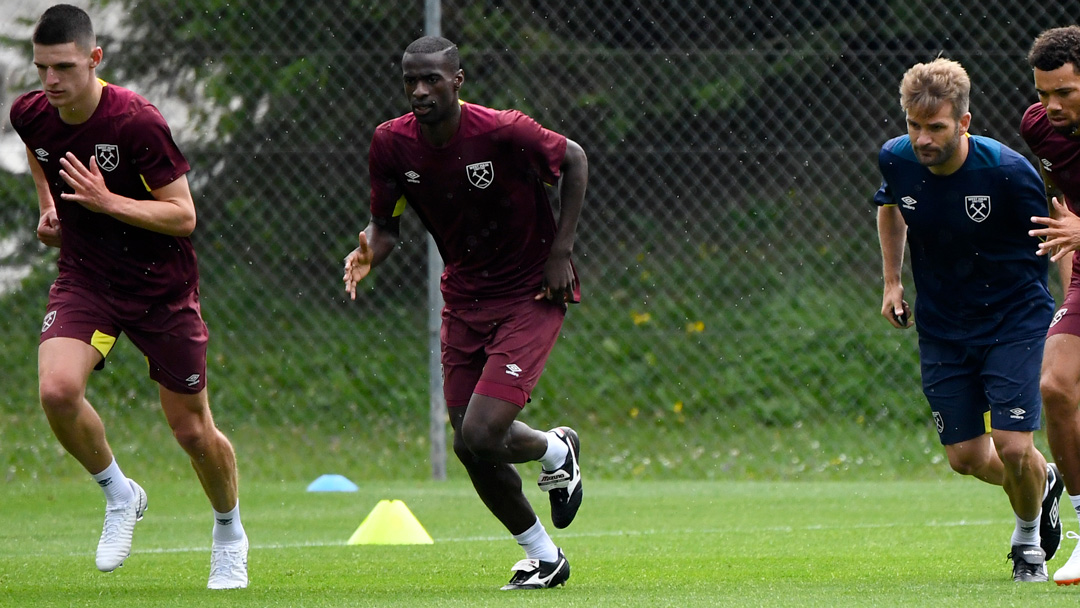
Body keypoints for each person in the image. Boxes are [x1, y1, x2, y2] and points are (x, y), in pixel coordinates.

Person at [9, 5, 248, 589]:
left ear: (95, 59)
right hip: (87, 279)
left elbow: (183, 215)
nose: (51, 80)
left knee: (192, 431)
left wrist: (107, 201)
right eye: (41, 67)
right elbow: (42, 159)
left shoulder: (136, 122)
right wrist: (49, 206)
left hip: (160, 289)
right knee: (57, 391)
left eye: (64, 66)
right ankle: (119, 493)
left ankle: (228, 532)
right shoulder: (31, 113)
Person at [343, 35, 587, 590]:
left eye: (432, 79)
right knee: (469, 443)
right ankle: (544, 554)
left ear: (458, 81)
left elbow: (574, 159)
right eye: (411, 80)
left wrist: (561, 253)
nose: (420, 90)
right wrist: (366, 255)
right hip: (465, 298)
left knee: (479, 433)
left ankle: (555, 450)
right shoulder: (391, 144)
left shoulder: (503, 130)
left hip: (531, 293)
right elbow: (385, 227)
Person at [875, 57, 1063, 583]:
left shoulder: (1006, 171)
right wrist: (892, 281)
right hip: (942, 325)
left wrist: (1070, 301)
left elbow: (1058, 230)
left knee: (1011, 444)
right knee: (965, 457)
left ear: (964, 122)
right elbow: (890, 207)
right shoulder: (896, 159)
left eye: (935, 127)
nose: (922, 139)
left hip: (1015, 319)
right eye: (914, 125)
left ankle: (1027, 542)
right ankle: (1042, 481)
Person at [1022, 25, 1080, 586]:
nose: (1050, 106)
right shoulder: (1040, 129)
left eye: (1064, 91)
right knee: (1055, 385)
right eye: (1043, 92)